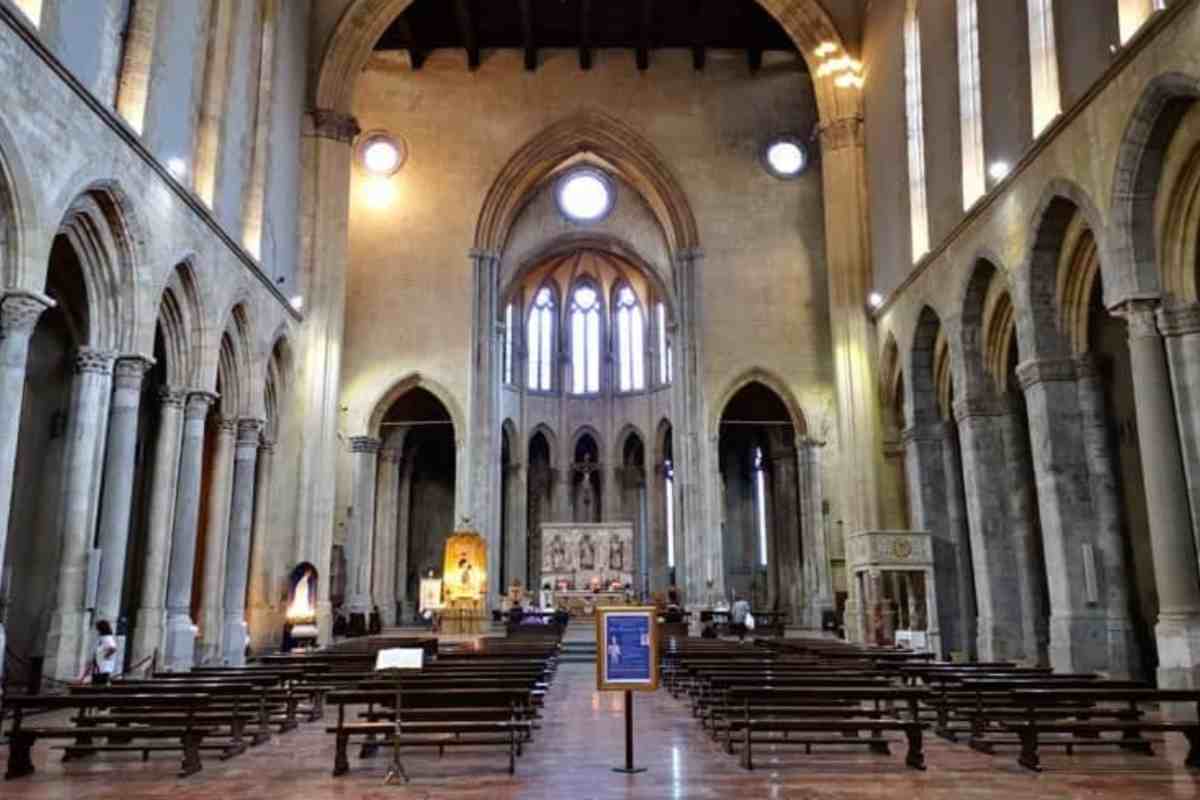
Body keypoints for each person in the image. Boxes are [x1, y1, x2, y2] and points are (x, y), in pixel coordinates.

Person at [81, 620, 118, 686]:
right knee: (95, 682)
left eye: (97, 628)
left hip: (103, 666)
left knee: (100, 683)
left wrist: (104, 656)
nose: (97, 630)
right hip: (99, 666)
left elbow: (113, 648)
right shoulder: (102, 637)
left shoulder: (107, 638)